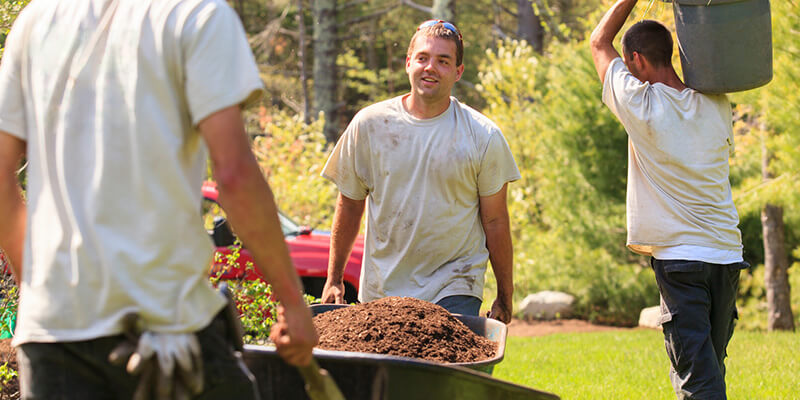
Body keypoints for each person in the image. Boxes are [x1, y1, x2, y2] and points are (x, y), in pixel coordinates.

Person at [0, 0, 317, 398]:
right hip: (167, 326)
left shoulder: (34, 22)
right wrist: (292, 301)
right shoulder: (195, 15)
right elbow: (234, 176)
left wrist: (43, 291)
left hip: (51, 334)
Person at [590, 1, 749, 398]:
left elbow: (598, 42)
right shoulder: (716, 104)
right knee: (708, 370)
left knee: (697, 380)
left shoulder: (641, 106)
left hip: (681, 262)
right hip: (727, 256)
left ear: (636, 59)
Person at [319, 20, 520, 324]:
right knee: (386, 373)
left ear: (458, 72)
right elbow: (349, 204)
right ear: (408, 62)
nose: (431, 68)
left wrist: (506, 294)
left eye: (443, 61)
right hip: (382, 289)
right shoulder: (370, 125)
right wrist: (334, 278)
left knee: (444, 367)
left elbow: (494, 220)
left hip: (454, 285)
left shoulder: (482, 135)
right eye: (423, 58)